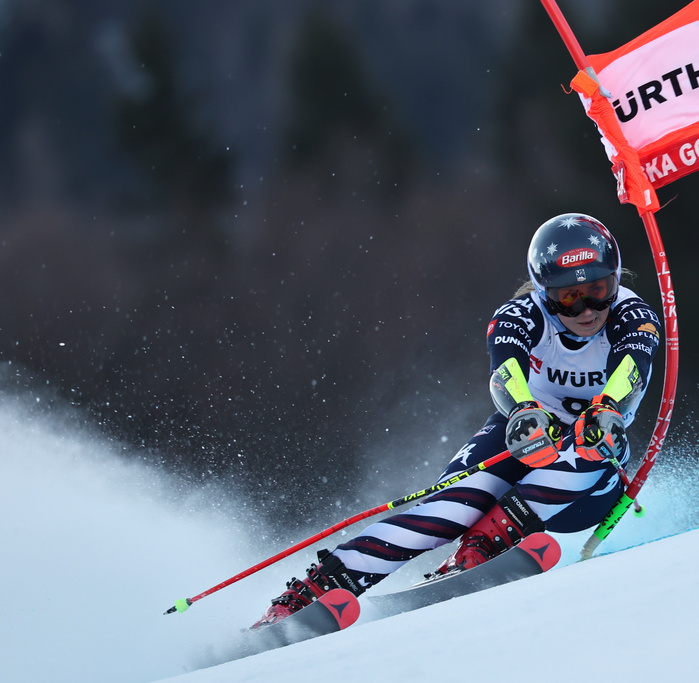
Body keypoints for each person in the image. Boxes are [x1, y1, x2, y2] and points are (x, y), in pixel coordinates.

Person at [252, 212, 661, 628]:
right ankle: (310, 593)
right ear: (543, 291)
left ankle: (483, 546)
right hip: (527, 433)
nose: (589, 309)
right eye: (569, 297)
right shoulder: (518, 316)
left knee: (594, 439)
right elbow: (505, 373)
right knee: (451, 508)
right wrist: (524, 409)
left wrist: (607, 406)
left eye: (599, 289)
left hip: (589, 484)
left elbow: (633, 369)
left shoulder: (634, 315)